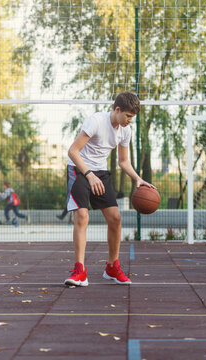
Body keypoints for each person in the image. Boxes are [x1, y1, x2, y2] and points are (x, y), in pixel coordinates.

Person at [64, 91, 154, 287]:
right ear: (117, 109)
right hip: (79, 169)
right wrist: (89, 174)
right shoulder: (96, 121)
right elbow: (73, 151)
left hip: (100, 173)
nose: (130, 120)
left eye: (133, 117)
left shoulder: (125, 130)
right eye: (128, 116)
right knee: (82, 215)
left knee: (115, 218)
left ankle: (112, 267)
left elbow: (123, 161)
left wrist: (138, 179)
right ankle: (79, 271)